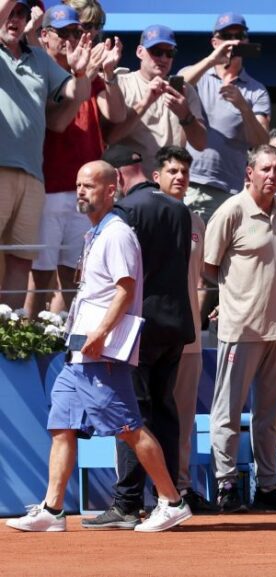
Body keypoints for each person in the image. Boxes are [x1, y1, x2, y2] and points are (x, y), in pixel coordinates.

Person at [5, 160, 191, 533]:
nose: (81, 191)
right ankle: (53, 510)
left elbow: (126, 288)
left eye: (89, 185)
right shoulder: (95, 233)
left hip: (101, 355)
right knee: (61, 425)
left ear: (112, 190)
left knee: (129, 428)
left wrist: (102, 333)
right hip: (78, 356)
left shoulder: (117, 233)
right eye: (78, 185)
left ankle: (172, 502)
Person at [79, 144, 196, 529]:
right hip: (175, 325)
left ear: (116, 176)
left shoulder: (124, 213)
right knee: (163, 409)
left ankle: (128, 503)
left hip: (137, 328)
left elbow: (125, 278)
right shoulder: (180, 209)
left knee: (131, 414)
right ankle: (170, 494)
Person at [203, 144, 276, 513]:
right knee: (228, 412)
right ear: (249, 172)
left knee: (269, 415)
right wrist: (231, 300)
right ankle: (227, 485)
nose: (272, 176)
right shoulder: (231, 211)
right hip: (240, 328)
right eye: (265, 169)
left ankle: (267, 485)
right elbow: (209, 267)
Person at [27, 4, 124, 318]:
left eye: (79, 31)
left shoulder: (85, 70)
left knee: (71, 275)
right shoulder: (39, 66)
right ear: (46, 36)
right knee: (39, 274)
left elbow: (116, 115)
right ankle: (26, 338)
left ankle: (56, 337)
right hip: (51, 183)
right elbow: (56, 122)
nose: (77, 37)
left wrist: (105, 74)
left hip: (85, 189)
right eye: (67, 31)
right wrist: (81, 75)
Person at [138, 146, 219, 514]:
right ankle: (139, 494)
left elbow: (199, 279)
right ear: (156, 176)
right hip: (147, 333)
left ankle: (178, 489)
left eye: (184, 172)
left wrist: (198, 321)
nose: (180, 177)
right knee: (141, 415)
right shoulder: (143, 218)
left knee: (181, 417)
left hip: (184, 336)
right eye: (172, 171)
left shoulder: (197, 222)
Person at [0, 0, 91, 307]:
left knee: (21, 259)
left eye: (22, 13)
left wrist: (81, 73)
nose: (16, 18)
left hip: (33, 175)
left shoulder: (38, 58)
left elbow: (74, 94)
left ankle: (7, 334)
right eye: (11, 12)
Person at [180, 12, 271, 223]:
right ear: (215, 42)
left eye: (239, 35)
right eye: (226, 36)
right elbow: (177, 86)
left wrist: (243, 107)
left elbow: (261, 142)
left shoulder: (256, 90)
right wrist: (212, 60)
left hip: (230, 188)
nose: (234, 41)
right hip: (191, 182)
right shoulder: (197, 74)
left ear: (246, 41)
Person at [106, 24, 206, 174]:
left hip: (169, 184)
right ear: (140, 52)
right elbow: (110, 138)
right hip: (131, 185)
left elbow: (200, 143)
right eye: (157, 52)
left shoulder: (184, 90)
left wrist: (185, 115)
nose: (164, 58)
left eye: (170, 53)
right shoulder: (120, 84)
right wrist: (145, 102)